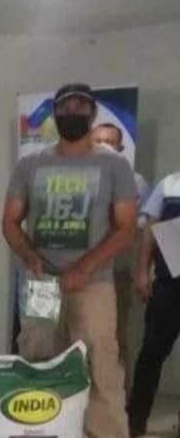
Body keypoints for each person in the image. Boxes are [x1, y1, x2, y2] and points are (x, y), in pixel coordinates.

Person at [2, 83, 137, 438]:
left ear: (92, 114)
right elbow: (10, 222)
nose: (73, 112)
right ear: (54, 114)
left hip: (93, 284)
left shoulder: (113, 165)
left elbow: (125, 227)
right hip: (41, 284)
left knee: (101, 370)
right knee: (38, 366)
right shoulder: (30, 165)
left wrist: (84, 267)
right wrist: (30, 256)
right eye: (65, 106)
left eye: (81, 106)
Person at [91, 123, 149, 391]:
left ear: (120, 147)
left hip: (115, 271)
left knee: (114, 336)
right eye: (98, 140)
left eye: (110, 142)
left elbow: (134, 227)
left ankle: (118, 398)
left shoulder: (134, 181)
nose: (103, 146)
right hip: (75, 271)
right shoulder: (78, 175)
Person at [127, 172, 180, 438]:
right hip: (169, 282)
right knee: (152, 350)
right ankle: (136, 418)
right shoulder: (169, 185)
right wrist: (142, 272)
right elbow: (150, 229)